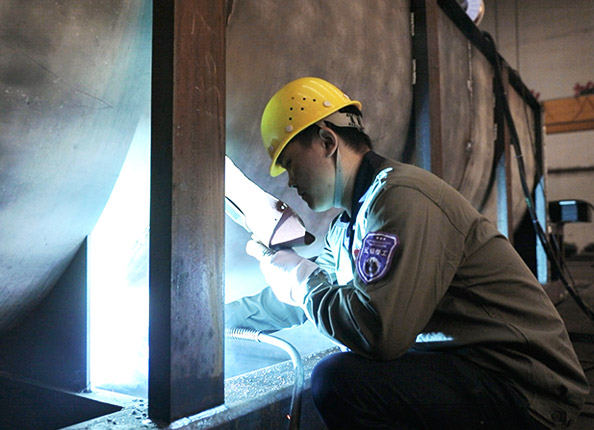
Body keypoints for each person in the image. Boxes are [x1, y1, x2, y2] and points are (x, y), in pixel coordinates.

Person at [227, 77, 589, 429]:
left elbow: (377, 334)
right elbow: (306, 296)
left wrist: (298, 278)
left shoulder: (400, 199)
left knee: (340, 380)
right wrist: (219, 320)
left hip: (524, 388)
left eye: (291, 163)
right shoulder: (349, 225)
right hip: (476, 369)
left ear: (326, 141)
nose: (290, 181)